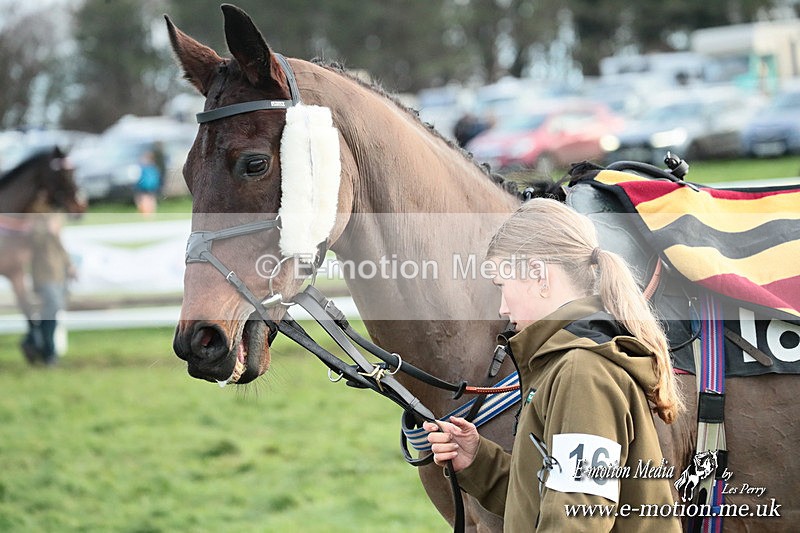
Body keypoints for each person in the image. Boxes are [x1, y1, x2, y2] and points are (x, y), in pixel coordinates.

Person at [424, 198, 683, 532]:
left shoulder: (581, 372)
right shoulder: (571, 362)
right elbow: (548, 498)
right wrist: (478, 462)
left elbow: (577, 518)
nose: (503, 308)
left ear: (538, 274)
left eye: (503, 286)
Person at [21, 212, 75, 366]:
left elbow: (59, 245)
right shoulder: (33, 218)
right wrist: (47, 230)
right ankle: (47, 352)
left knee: (52, 312)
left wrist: (69, 265)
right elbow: (31, 242)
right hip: (43, 274)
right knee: (51, 310)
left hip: (58, 273)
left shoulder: (55, 215)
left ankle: (35, 343)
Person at [134, 149, 162, 216]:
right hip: (153, 186)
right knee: (151, 198)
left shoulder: (143, 168)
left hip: (144, 186)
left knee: (144, 199)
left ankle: (145, 213)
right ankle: (151, 212)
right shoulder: (154, 167)